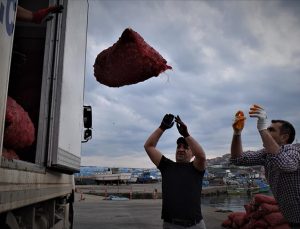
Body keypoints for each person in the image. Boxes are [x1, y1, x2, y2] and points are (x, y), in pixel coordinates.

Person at [230, 104, 300, 228]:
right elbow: (238, 159)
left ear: (284, 137)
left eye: (271, 130)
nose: (266, 132)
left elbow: (286, 165)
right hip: (292, 217)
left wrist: (262, 128)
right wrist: (237, 133)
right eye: (267, 128)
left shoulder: (293, 150)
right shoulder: (266, 153)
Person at [144, 114, 207, 229]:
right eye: (178, 147)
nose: (181, 149)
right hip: (170, 225)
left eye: (185, 147)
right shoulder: (167, 166)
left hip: (195, 225)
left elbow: (201, 156)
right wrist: (162, 127)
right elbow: (149, 146)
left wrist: (186, 134)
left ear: (192, 154)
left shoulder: (196, 168)